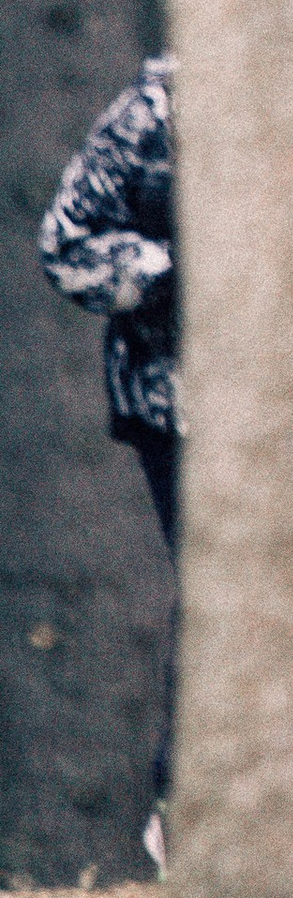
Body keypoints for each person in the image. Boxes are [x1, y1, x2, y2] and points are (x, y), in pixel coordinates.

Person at [41, 56, 181, 852]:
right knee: (221, 588)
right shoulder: (153, 108)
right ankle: (184, 806)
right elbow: (65, 242)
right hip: (174, 400)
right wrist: (171, 271)